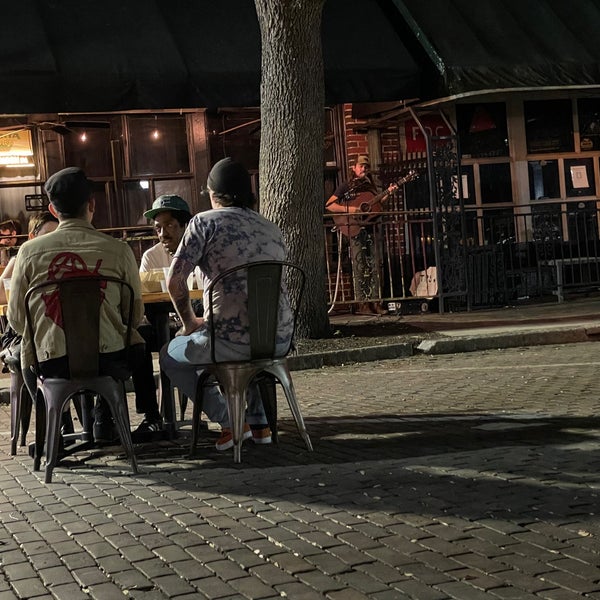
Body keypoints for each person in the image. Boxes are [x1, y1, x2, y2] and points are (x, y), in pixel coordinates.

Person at [7, 167, 160, 442]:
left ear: (53, 211)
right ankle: (107, 417)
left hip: (51, 363)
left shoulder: (28, 253)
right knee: (136, 342)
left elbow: (18, 321)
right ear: (92, 205)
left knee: (30, 347)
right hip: (109, 362)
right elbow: (134, 316)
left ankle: (54, 436)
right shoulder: (119, 250)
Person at [159, 157, 292, 450]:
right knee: (248, 351)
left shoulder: (203, 223)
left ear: (212, 193)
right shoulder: (271, 228)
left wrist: (189, 323)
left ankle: (231, 421)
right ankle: (260, 426)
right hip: (276, 340)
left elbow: (174, 281)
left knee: (169, 356)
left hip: (230, 342)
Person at [325, 155, 397, 316]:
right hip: (355, 230)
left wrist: (389, 192)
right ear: (354, 168)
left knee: (375, 265)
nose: (364, 169)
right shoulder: (346, 186)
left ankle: (376, 303)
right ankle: (362, 304)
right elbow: (330, 205)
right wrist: (351, 210)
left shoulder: (370, 187)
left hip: (371, 228)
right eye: (361, 166)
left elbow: (376, 204)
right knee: (360, 266)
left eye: (366, 166)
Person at [0, 212, 58, 304]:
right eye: (47, 236)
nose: (53, 241)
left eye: (57, 236)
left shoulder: (66, 262)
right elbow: (1, 295)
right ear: (32, 237)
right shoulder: (19, 261)